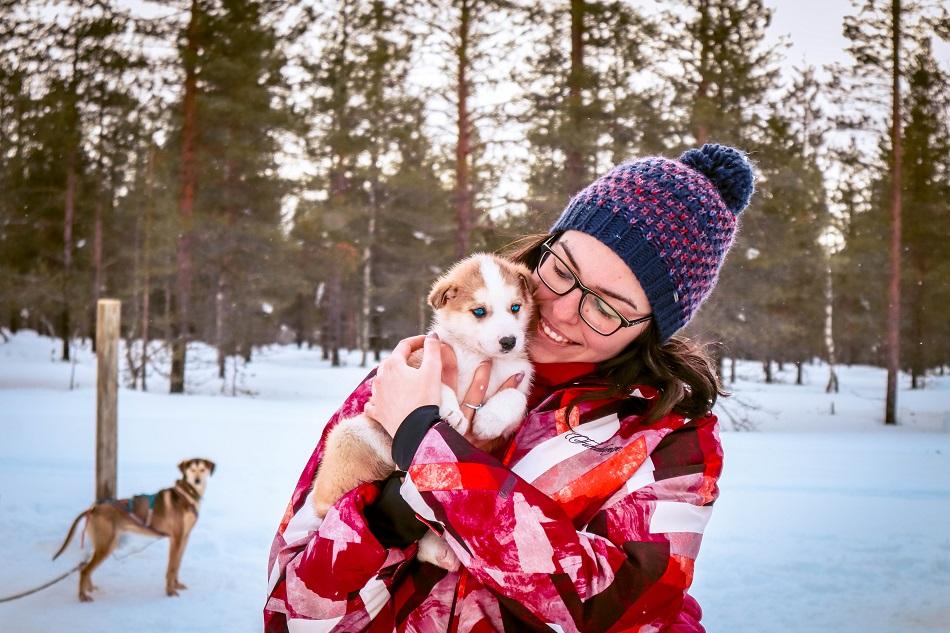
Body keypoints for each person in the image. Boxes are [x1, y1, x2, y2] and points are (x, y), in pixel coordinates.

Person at [263, 143, 755, 633]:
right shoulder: (412, 376)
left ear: (651, 327)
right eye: (561, 271)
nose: (560, 311)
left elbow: (604, 607)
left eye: (607, 308)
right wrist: (385, 519)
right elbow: (290, 612)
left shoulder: (667, 444)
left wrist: (427, 449)